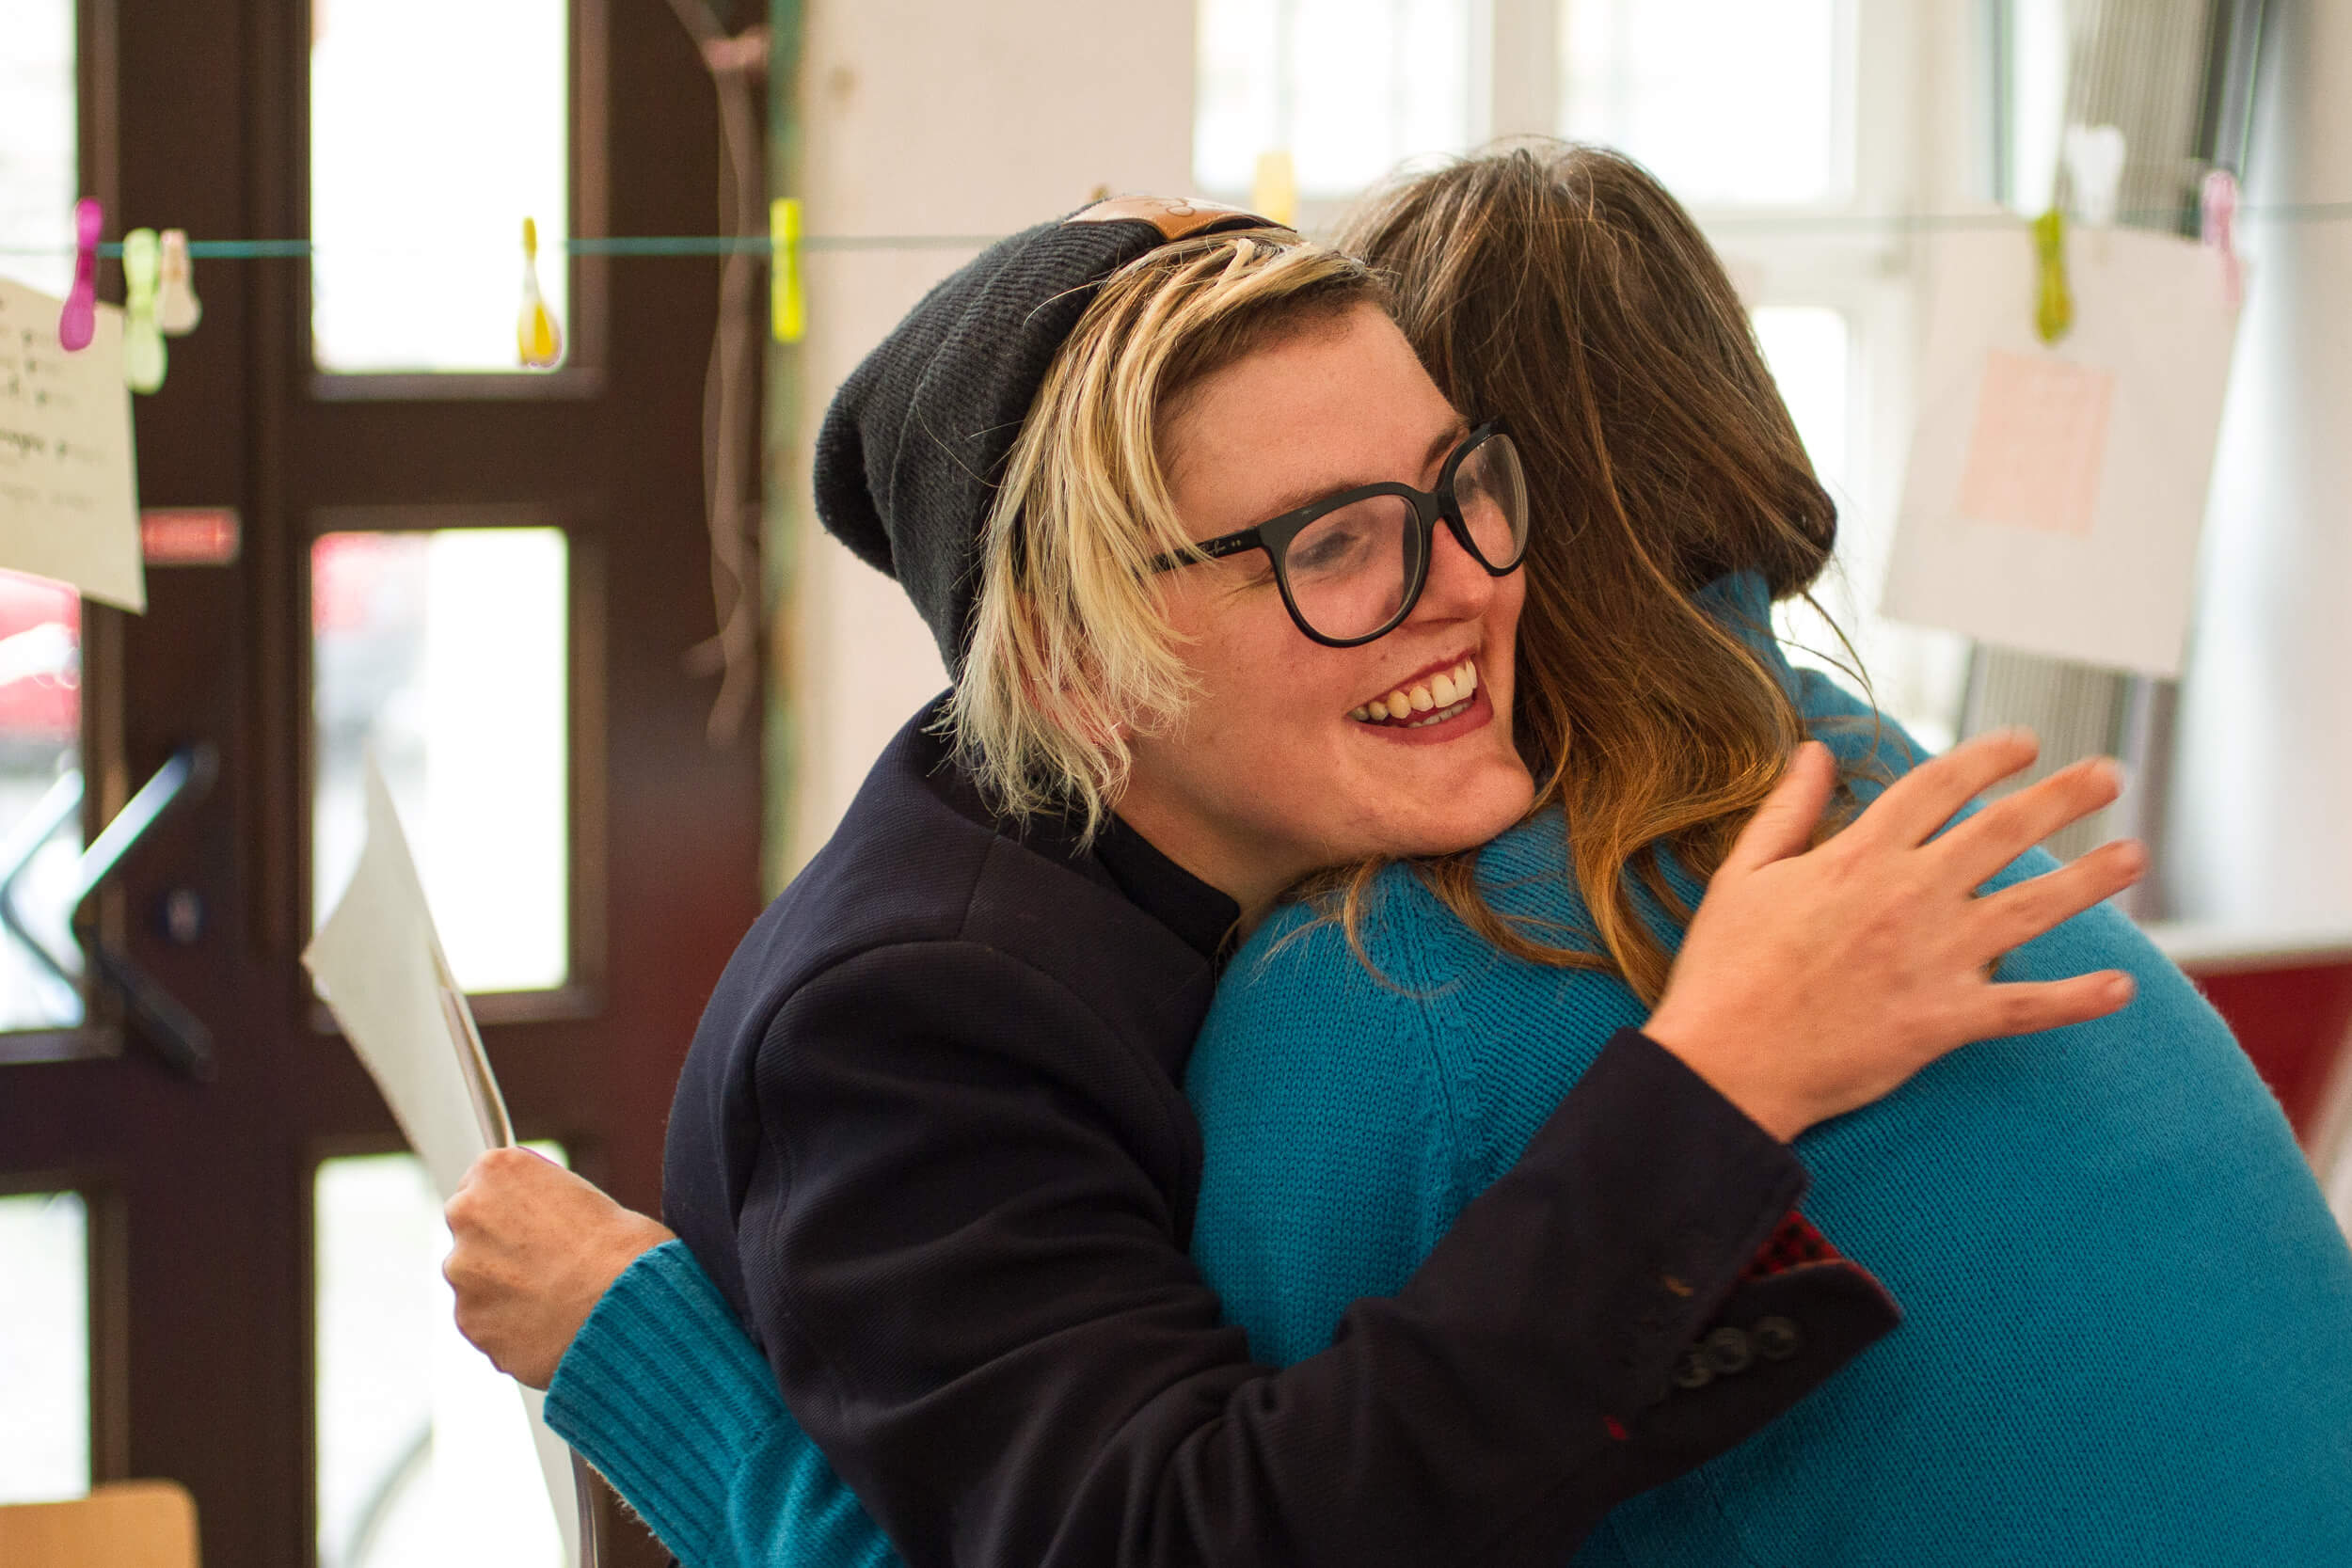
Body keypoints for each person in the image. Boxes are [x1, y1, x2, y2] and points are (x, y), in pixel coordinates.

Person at [445, 180, 2142, 1568]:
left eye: (1465, 487)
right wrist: (1720, 1078)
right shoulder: (909, 1021)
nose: (1466, 583)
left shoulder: (1192, 842)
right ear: (1077, 668)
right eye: (1329, 544)